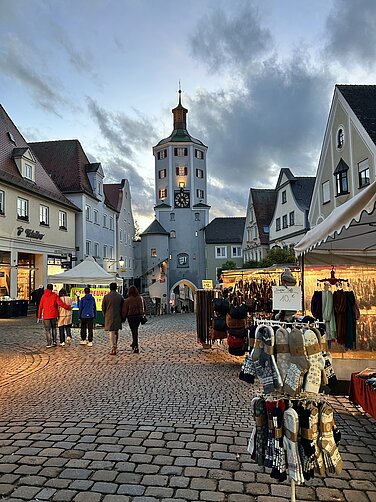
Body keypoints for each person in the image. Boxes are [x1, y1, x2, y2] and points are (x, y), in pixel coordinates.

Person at [102, 282, 124, 355]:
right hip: (118, 316)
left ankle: (113, 347)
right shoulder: (120, 296)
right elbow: (123, 307)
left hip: (109, 316)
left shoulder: (106, 296)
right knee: (116, 332)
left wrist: (105, 314)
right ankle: (116, 345)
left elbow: (103, 307)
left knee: (111, 332)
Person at [121, 285, 145, 353]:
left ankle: (135, 345)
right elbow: (144, 306)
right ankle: (134, 343)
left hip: (131, 317)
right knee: (135, 330)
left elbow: (124, 310)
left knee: (133, 331)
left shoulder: (128, 300)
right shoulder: (140, 298)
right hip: (139, 316)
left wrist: (123, 318)